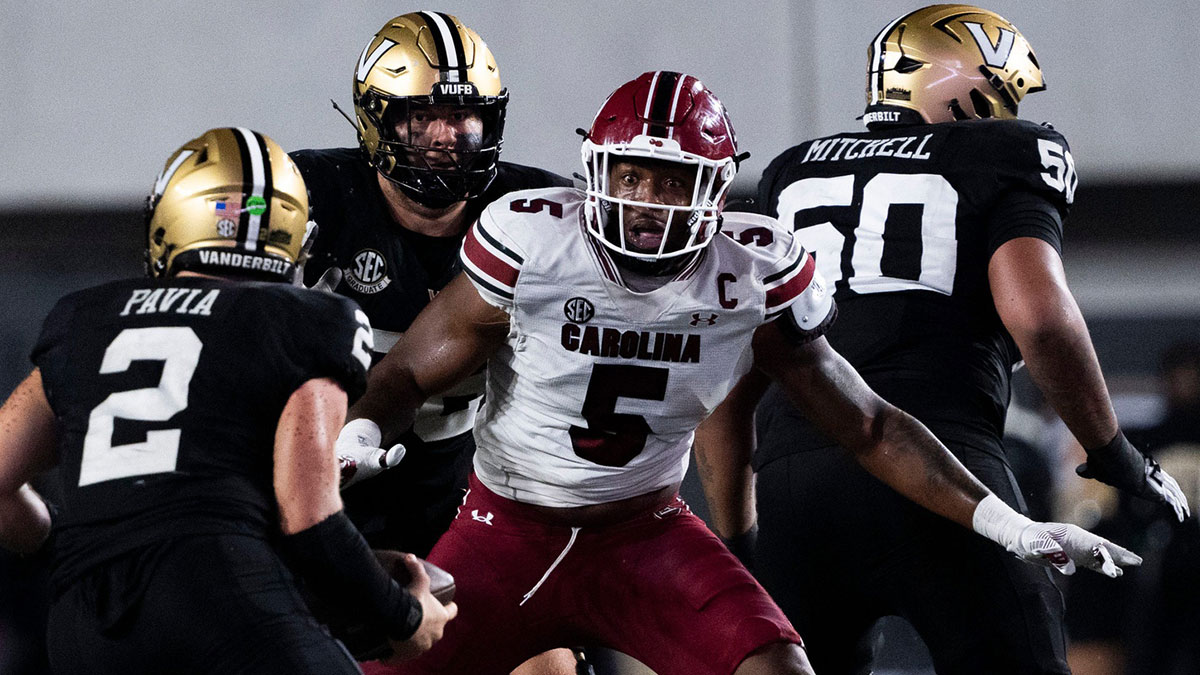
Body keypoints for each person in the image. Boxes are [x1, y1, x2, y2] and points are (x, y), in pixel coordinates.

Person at [338, 70, 1140, 675]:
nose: (647, 202)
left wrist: (1010, 524)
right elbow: (408, 370)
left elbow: (868, 424)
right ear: (597, 172)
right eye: (631, 176)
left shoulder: (752, 273)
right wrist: (363, 430)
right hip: (505, 529)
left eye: (672, 181)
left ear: (717, 190)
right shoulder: (533, 243)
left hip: (645, 532)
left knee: (781, 668)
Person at [740, 5, 1191, 674]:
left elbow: (746, 354)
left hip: (793, 475)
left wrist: (739, 536)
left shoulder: (789, 170)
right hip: (942, 457)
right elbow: (1039, 318)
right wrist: (1112, 450)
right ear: (967, 83)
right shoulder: (1005, 151)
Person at [0, 128, 455, 674]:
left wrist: (70, 547)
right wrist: (404, 616)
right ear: (295, 236)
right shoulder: (308, 320)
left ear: (167, 223)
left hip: (85, 624)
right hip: (222, 594)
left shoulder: (82, 318)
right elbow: (310, 517)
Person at [291, 13, 578, 672]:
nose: (449, 137)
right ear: (378, 120)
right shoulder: (312, 198)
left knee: (548, 661)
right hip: (324, 479)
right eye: (424, 118)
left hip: (467, 482)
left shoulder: (536, 210)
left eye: (466, 116)